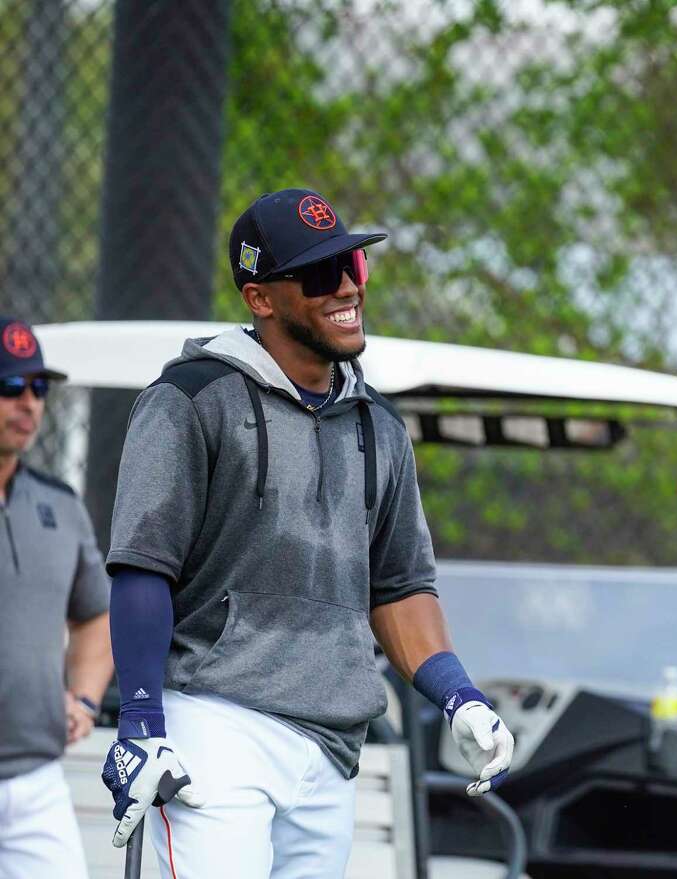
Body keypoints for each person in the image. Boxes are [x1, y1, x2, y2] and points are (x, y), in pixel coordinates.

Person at [100, 189, 515, 877]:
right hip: (213, 726)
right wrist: (141, 719)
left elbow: (400, 584)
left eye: (352, 262)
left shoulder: (379, 425)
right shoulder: (191, 397)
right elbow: (143, 564)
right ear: (260, 298)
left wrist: (458, 694)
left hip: (330, 744)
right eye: (321, 274)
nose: (349, 284)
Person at [0, 317, 112, 879]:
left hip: (35, 782)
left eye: (39, 388)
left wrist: (86, 699)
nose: (29, 403)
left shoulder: (59, 505)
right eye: (11, 387)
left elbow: (96, 612)